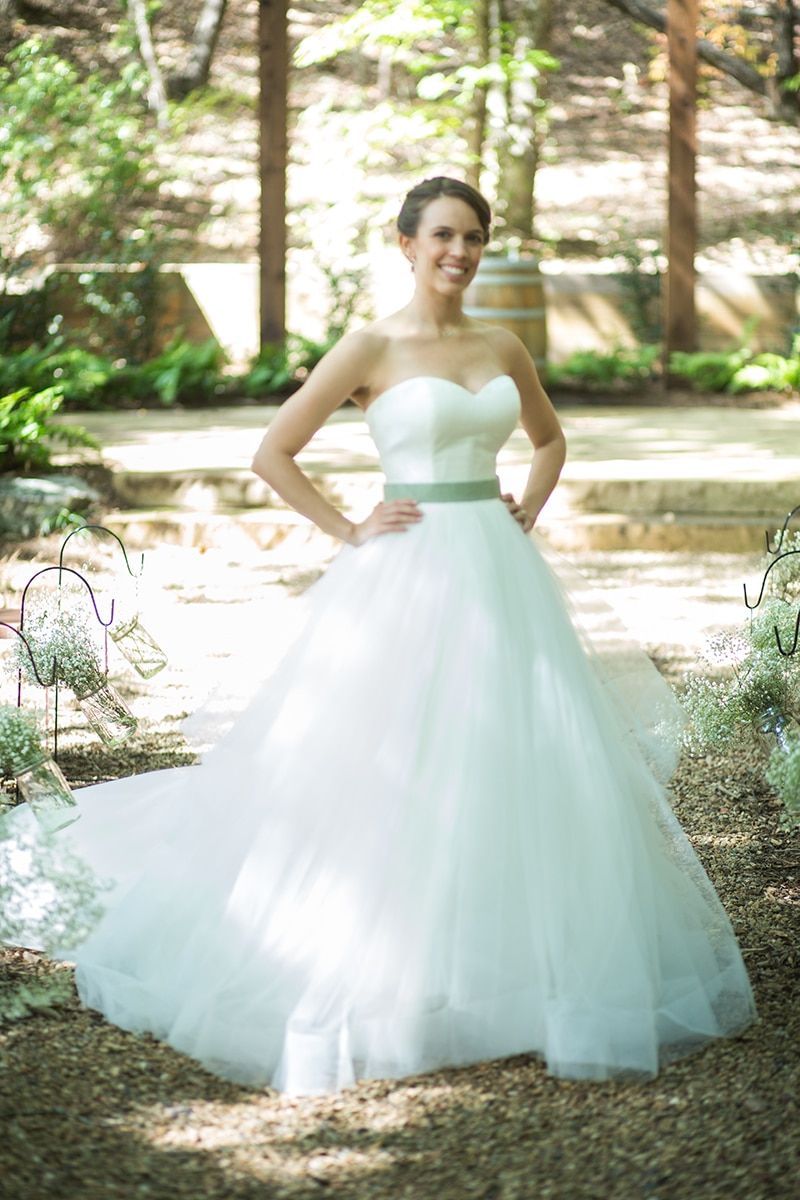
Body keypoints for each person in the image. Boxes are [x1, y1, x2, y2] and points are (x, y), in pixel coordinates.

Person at [7, 177, 756, 1095]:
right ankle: (385, 957)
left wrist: (529, 506)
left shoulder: (501, 342)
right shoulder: (371, 344)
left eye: (474, 237)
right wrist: (350, 528)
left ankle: (510, 952)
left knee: (516, 753)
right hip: (403, 572)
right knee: (389, 753)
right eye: (444, 234)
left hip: (498, 564)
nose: (461, 251)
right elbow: (273, 451)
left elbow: (550, 440)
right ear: (405, 243)